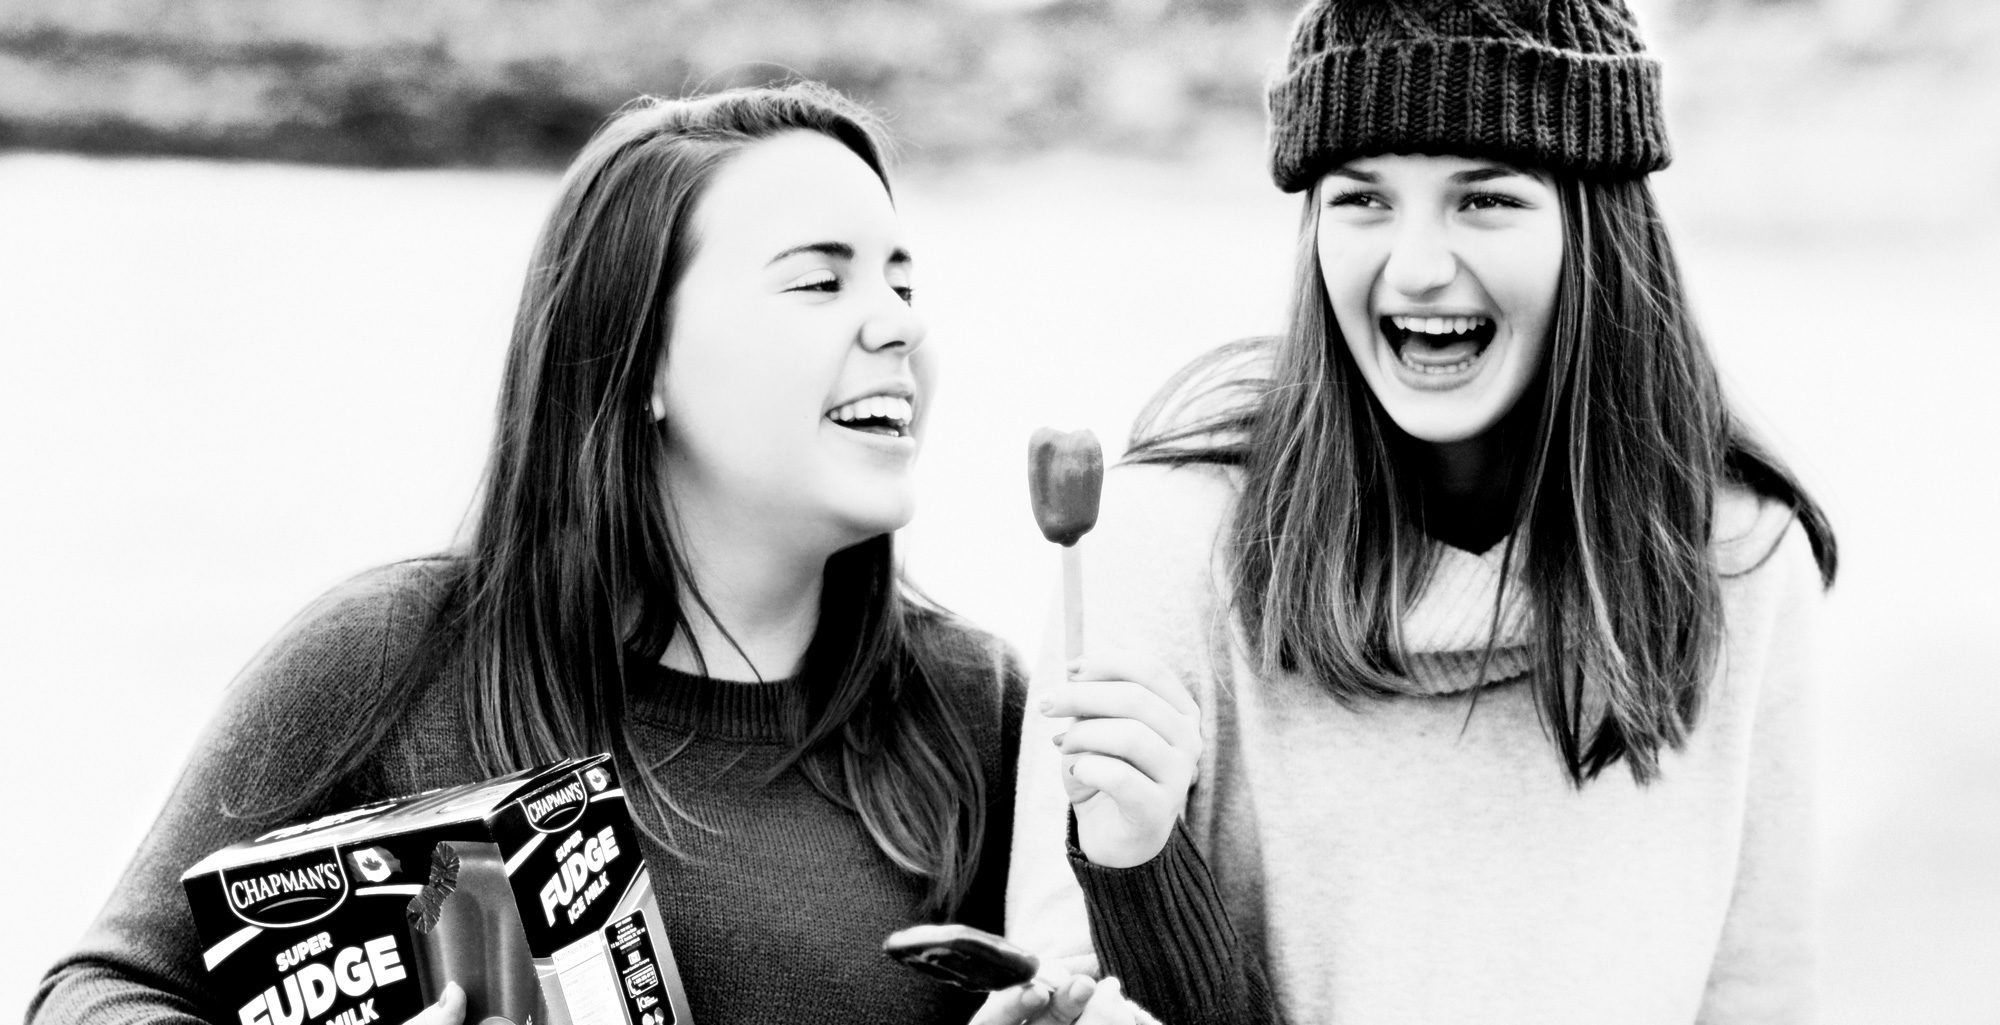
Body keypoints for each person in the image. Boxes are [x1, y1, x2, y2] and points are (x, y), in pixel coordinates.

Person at [28, 82, 1167, 1025]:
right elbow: (94, 993)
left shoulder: (980, 706)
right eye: (821, 281)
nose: (900, 323)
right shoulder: (390, 658)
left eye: (903, 281)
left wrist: (1139, 862)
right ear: (642, 362)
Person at [1007, 1, 1839, 1022]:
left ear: (1596, 227)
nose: (1413, 265)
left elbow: (1759, 989)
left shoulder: (1739, 557)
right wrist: (1130, 864)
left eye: (1482, 199)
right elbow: (1058, 987)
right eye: (1360, 199)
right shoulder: (1158, 544)